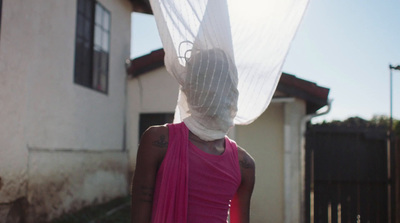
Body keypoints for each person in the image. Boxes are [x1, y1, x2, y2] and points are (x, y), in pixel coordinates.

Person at [130, 48, 255, 223]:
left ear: (232, 92)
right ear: (190, 88)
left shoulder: (245, 165)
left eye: (220, 83)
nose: (213, 92)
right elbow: (139, 216)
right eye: (205, 82)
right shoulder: (157, 141)